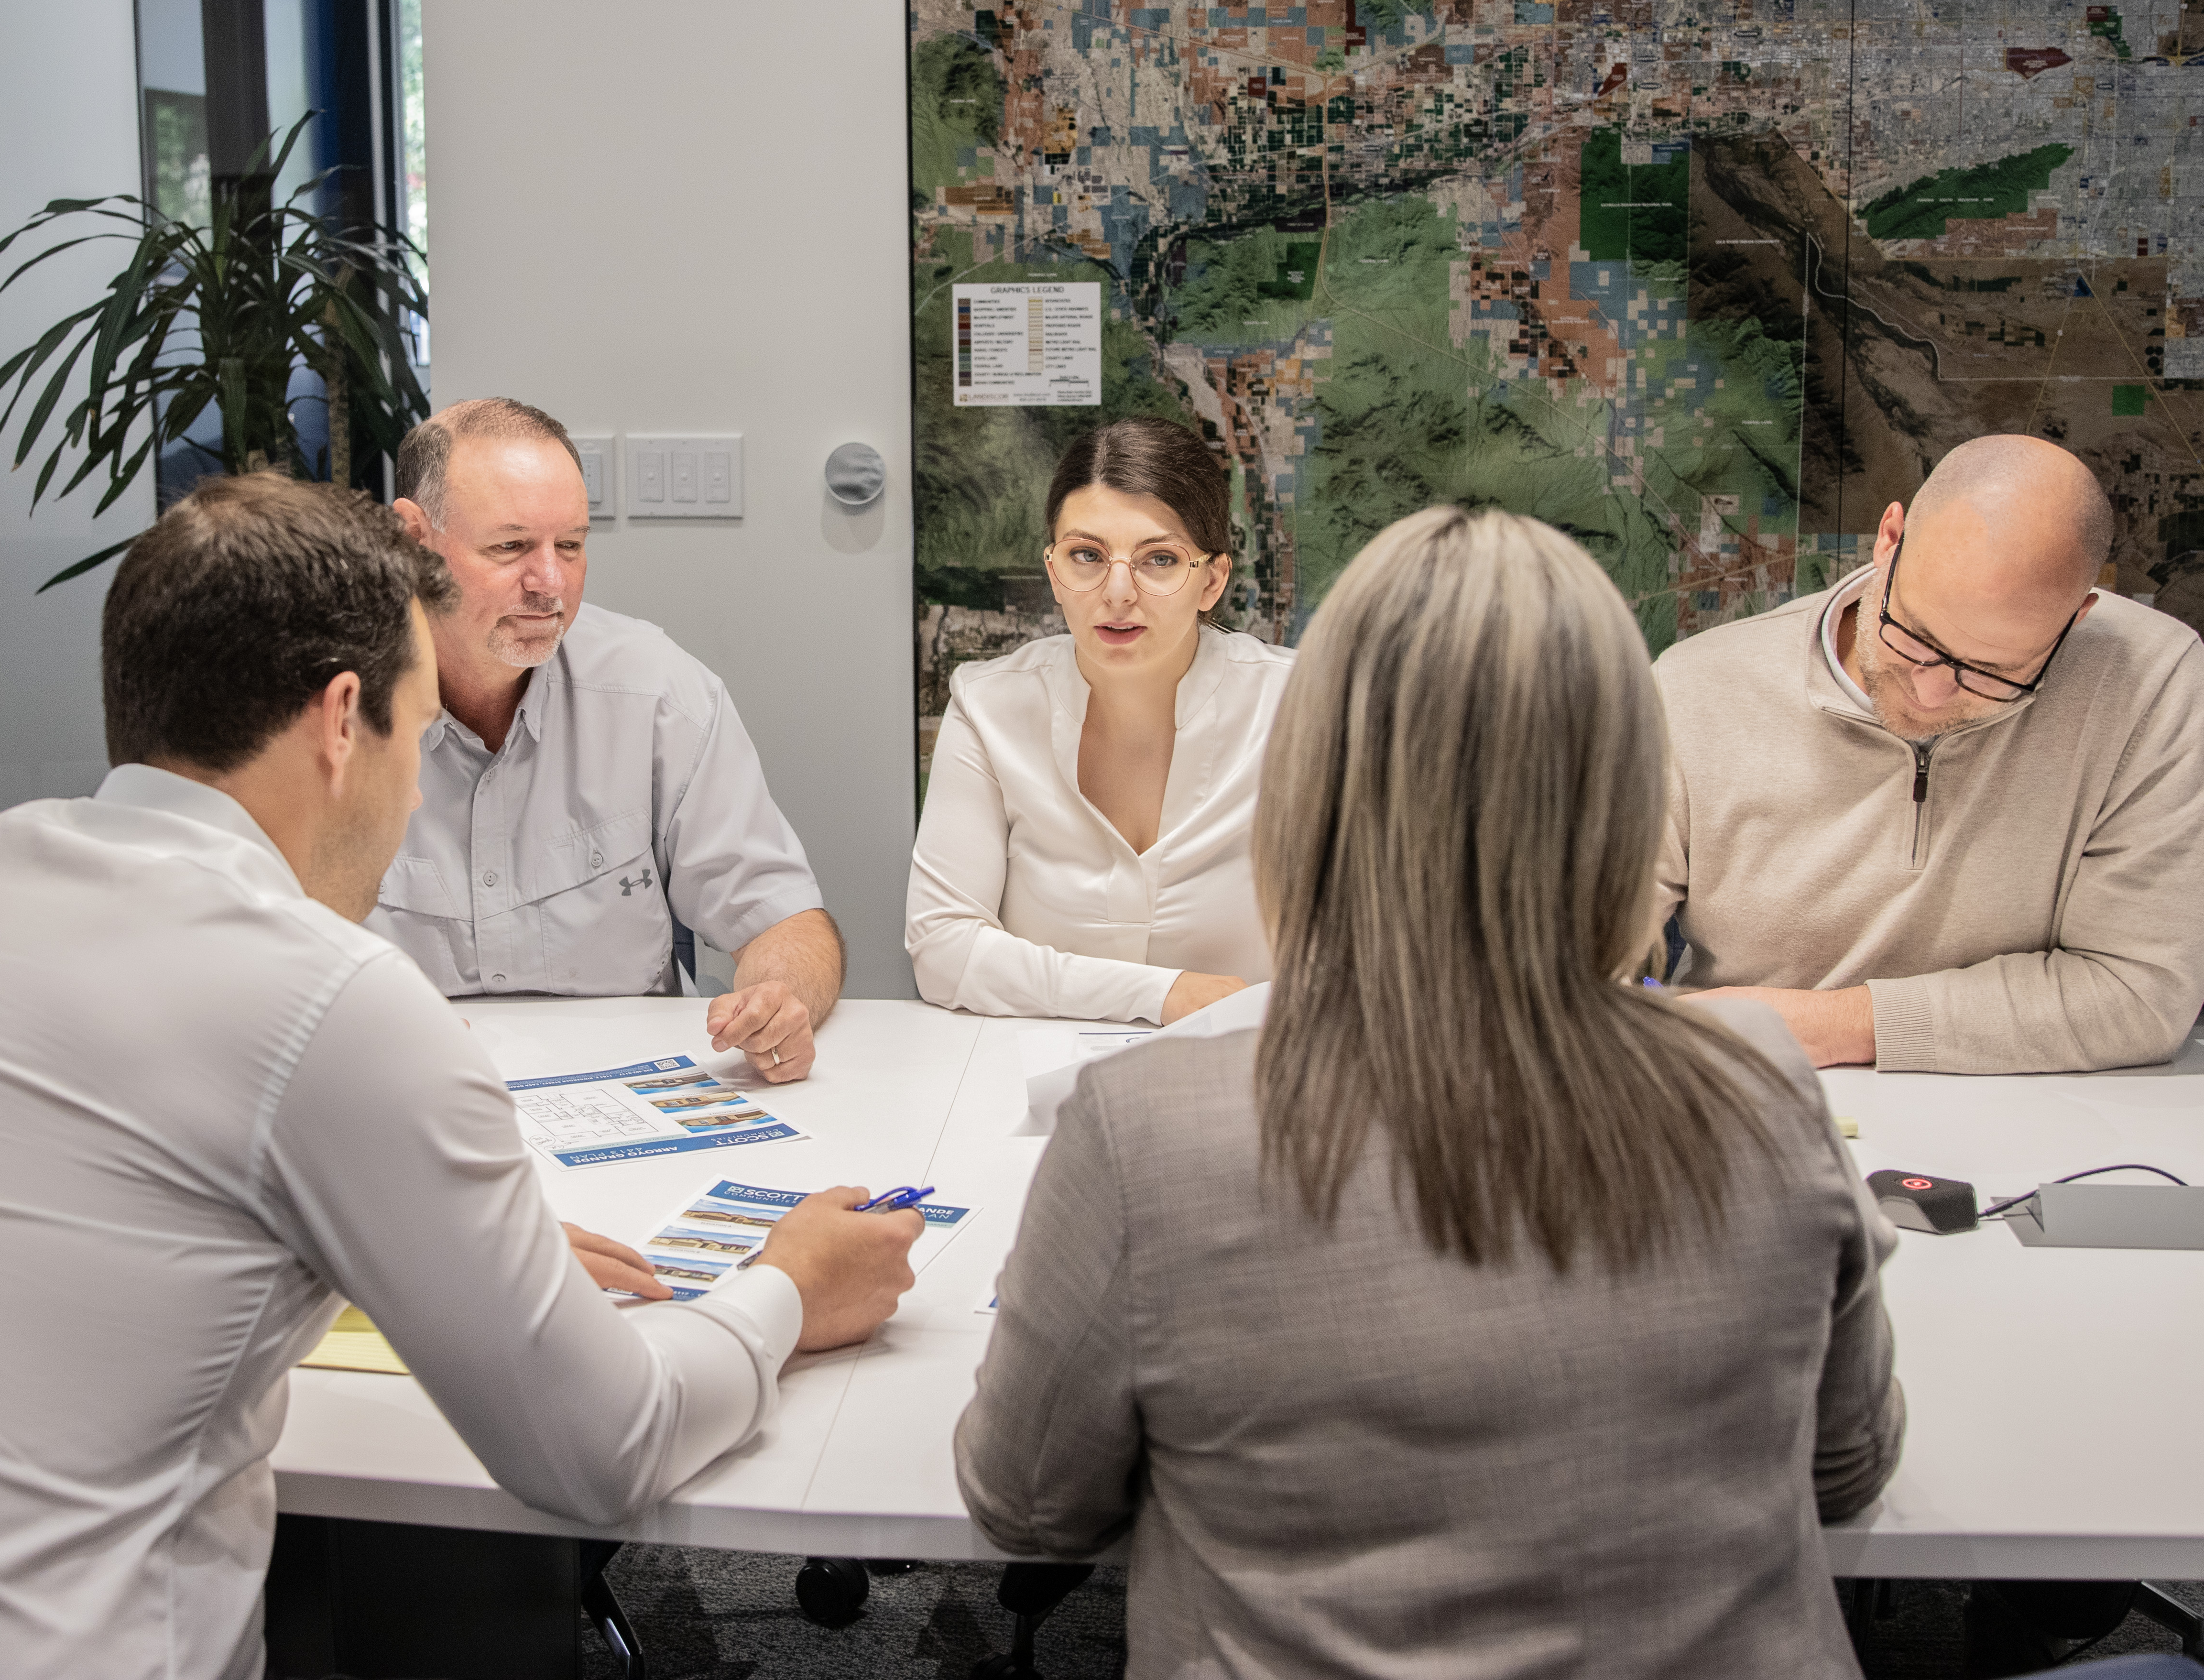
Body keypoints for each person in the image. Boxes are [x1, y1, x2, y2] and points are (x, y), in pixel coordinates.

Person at [0, 475, 921, 1679]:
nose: (416, 789)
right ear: (338, 719)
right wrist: (786, 1288)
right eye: (415, 737)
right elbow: (602, 1449)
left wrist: (402, 1248)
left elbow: (104, 1231)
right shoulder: (328, 996)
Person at [956, 506, 1904, 1680]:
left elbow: (1030, 1509)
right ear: (1621, 793)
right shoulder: (1762, 1085)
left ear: (1307, 786)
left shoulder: (1146, 1131)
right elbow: (1845, 1470)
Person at [1655, 434, 2204, 1074]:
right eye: (1913, 636)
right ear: (1888, 538)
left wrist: (1830, 1026)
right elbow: (1568, 965)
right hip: (1738, 1088)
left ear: (2074, 619)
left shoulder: (2151, 682)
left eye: (1992, 670)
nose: (1930, 690)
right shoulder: (1690, 691)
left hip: (2043, 1117)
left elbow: (2139, 994)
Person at [373, 398, 840, 1082]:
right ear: (413, 540)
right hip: (409, 1096)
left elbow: (786, 919)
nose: (550, 584)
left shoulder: (657, 691)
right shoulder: (330, 709)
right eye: (509, 548)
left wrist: (778, 1000)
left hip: (629, 1101)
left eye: (570, 545)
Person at [906, 416, 1294, 1024]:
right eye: (1086, 555)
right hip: (1027, 1080)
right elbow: (942, 949)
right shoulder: (988, 707)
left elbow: (1375, 942)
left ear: (1211, 580)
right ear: (1053, 571)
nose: (1117, 592)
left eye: (1158, 559)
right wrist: (1160, 995)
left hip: (1246, 1075)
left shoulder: (1300, 707)